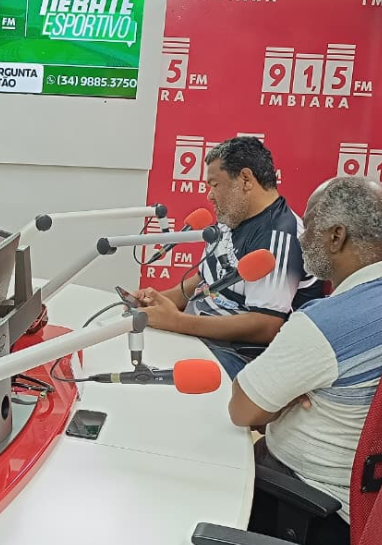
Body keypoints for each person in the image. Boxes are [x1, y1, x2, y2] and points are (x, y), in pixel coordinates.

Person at [228, 177, 382, 545]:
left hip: (304, 505)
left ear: (336, 236)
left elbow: (243, 410)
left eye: (308, 226)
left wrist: (289, 394)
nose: (301, 238)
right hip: (381, 505)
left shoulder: (322, 325)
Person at [135, 136, 322, 378]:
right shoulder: (231, 218)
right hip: (197, 336)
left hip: (239, 356)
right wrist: (158, 301)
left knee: (147, 373)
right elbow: (203, 281)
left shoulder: (280, 235)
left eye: (215, 185)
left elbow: (266, 325)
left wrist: (176, 322)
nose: (210, 196)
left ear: (245, 179)